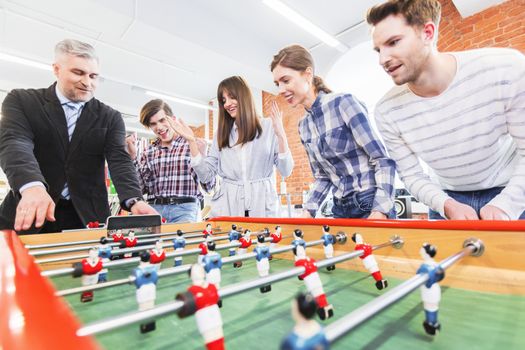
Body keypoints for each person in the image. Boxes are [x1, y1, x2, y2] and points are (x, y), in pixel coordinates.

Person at [367, 0, 525, 220]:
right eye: (378, 49)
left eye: (393, 42)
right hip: (446, 200)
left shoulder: (506, 69)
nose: (382, 59)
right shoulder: (386, 111)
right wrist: (447, 205)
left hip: (511, 191)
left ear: (428, 32)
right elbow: (411, 175)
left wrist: (506, 204)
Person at [0, 39, 156, 234]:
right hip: (30, 210)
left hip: (86, 217)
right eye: (78, 72)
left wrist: (134, 200)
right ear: (57, 69)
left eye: (93, 76)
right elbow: (15, 143)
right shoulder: (22, 101)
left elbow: (119, 160)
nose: (87, 82)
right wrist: (31, 186)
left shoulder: (110, 117)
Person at [271, 45, 396, 219]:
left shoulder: (343, 103)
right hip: (339, 209)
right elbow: (323, 176)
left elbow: (382, 159)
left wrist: (380, 210)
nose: (280, 90)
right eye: (277, 84)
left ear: (307, 74)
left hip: (369, 203)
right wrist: (308, 211)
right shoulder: (303, 126)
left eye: (286, 80)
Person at [170, 76, 294, 217]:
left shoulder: (269, 127)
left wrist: (282, 136)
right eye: (223, 101)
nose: (227, 104)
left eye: (231, 97)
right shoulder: (221, 134)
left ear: (243, 96)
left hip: (262, 204)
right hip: (228, 205)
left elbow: (286, 170)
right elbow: (206, 176)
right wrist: (191, 141)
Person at [125, 99, 211, 223]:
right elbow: (139, 189)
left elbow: (209, 186)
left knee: (180, 242)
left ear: (173, 119)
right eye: (153, 124)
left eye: (162, 120)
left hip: (185, 210)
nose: (159, 127)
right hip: (154, 210)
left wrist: (202, 155)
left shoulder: (192, 145)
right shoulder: (148, 152)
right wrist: (133, 158)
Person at [417, 243, 444, 335]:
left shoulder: (424, 267)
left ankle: (431, 325)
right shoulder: (436, 264)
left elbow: (419, 276)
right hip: (435, 289)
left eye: (422, 250)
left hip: (429, 291)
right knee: (433, 307)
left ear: (426, 253)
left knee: (429, 307)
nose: (420, 252)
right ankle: (433, 324)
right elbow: (441, 275)